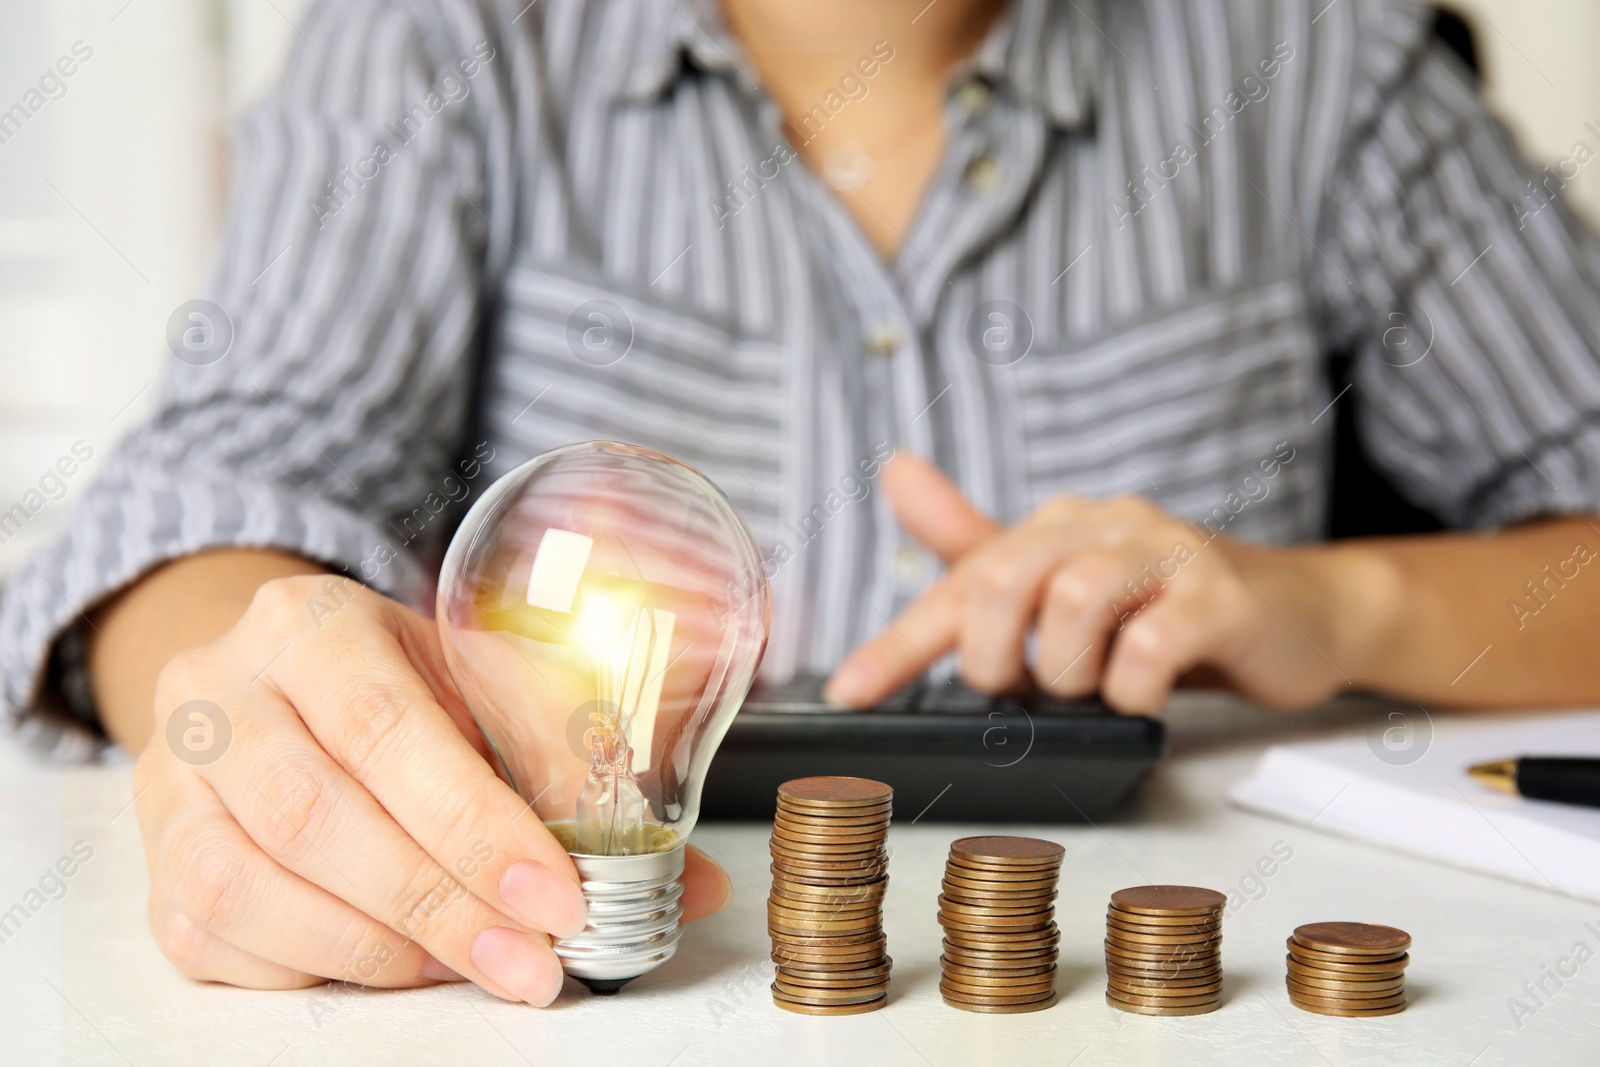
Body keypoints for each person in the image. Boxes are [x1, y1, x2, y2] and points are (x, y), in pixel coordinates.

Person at [3, 0, 1600, 1007]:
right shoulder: (443, 38)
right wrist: (255, 705)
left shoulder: (1321, 57)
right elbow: (208, 500)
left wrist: (1330, 607)